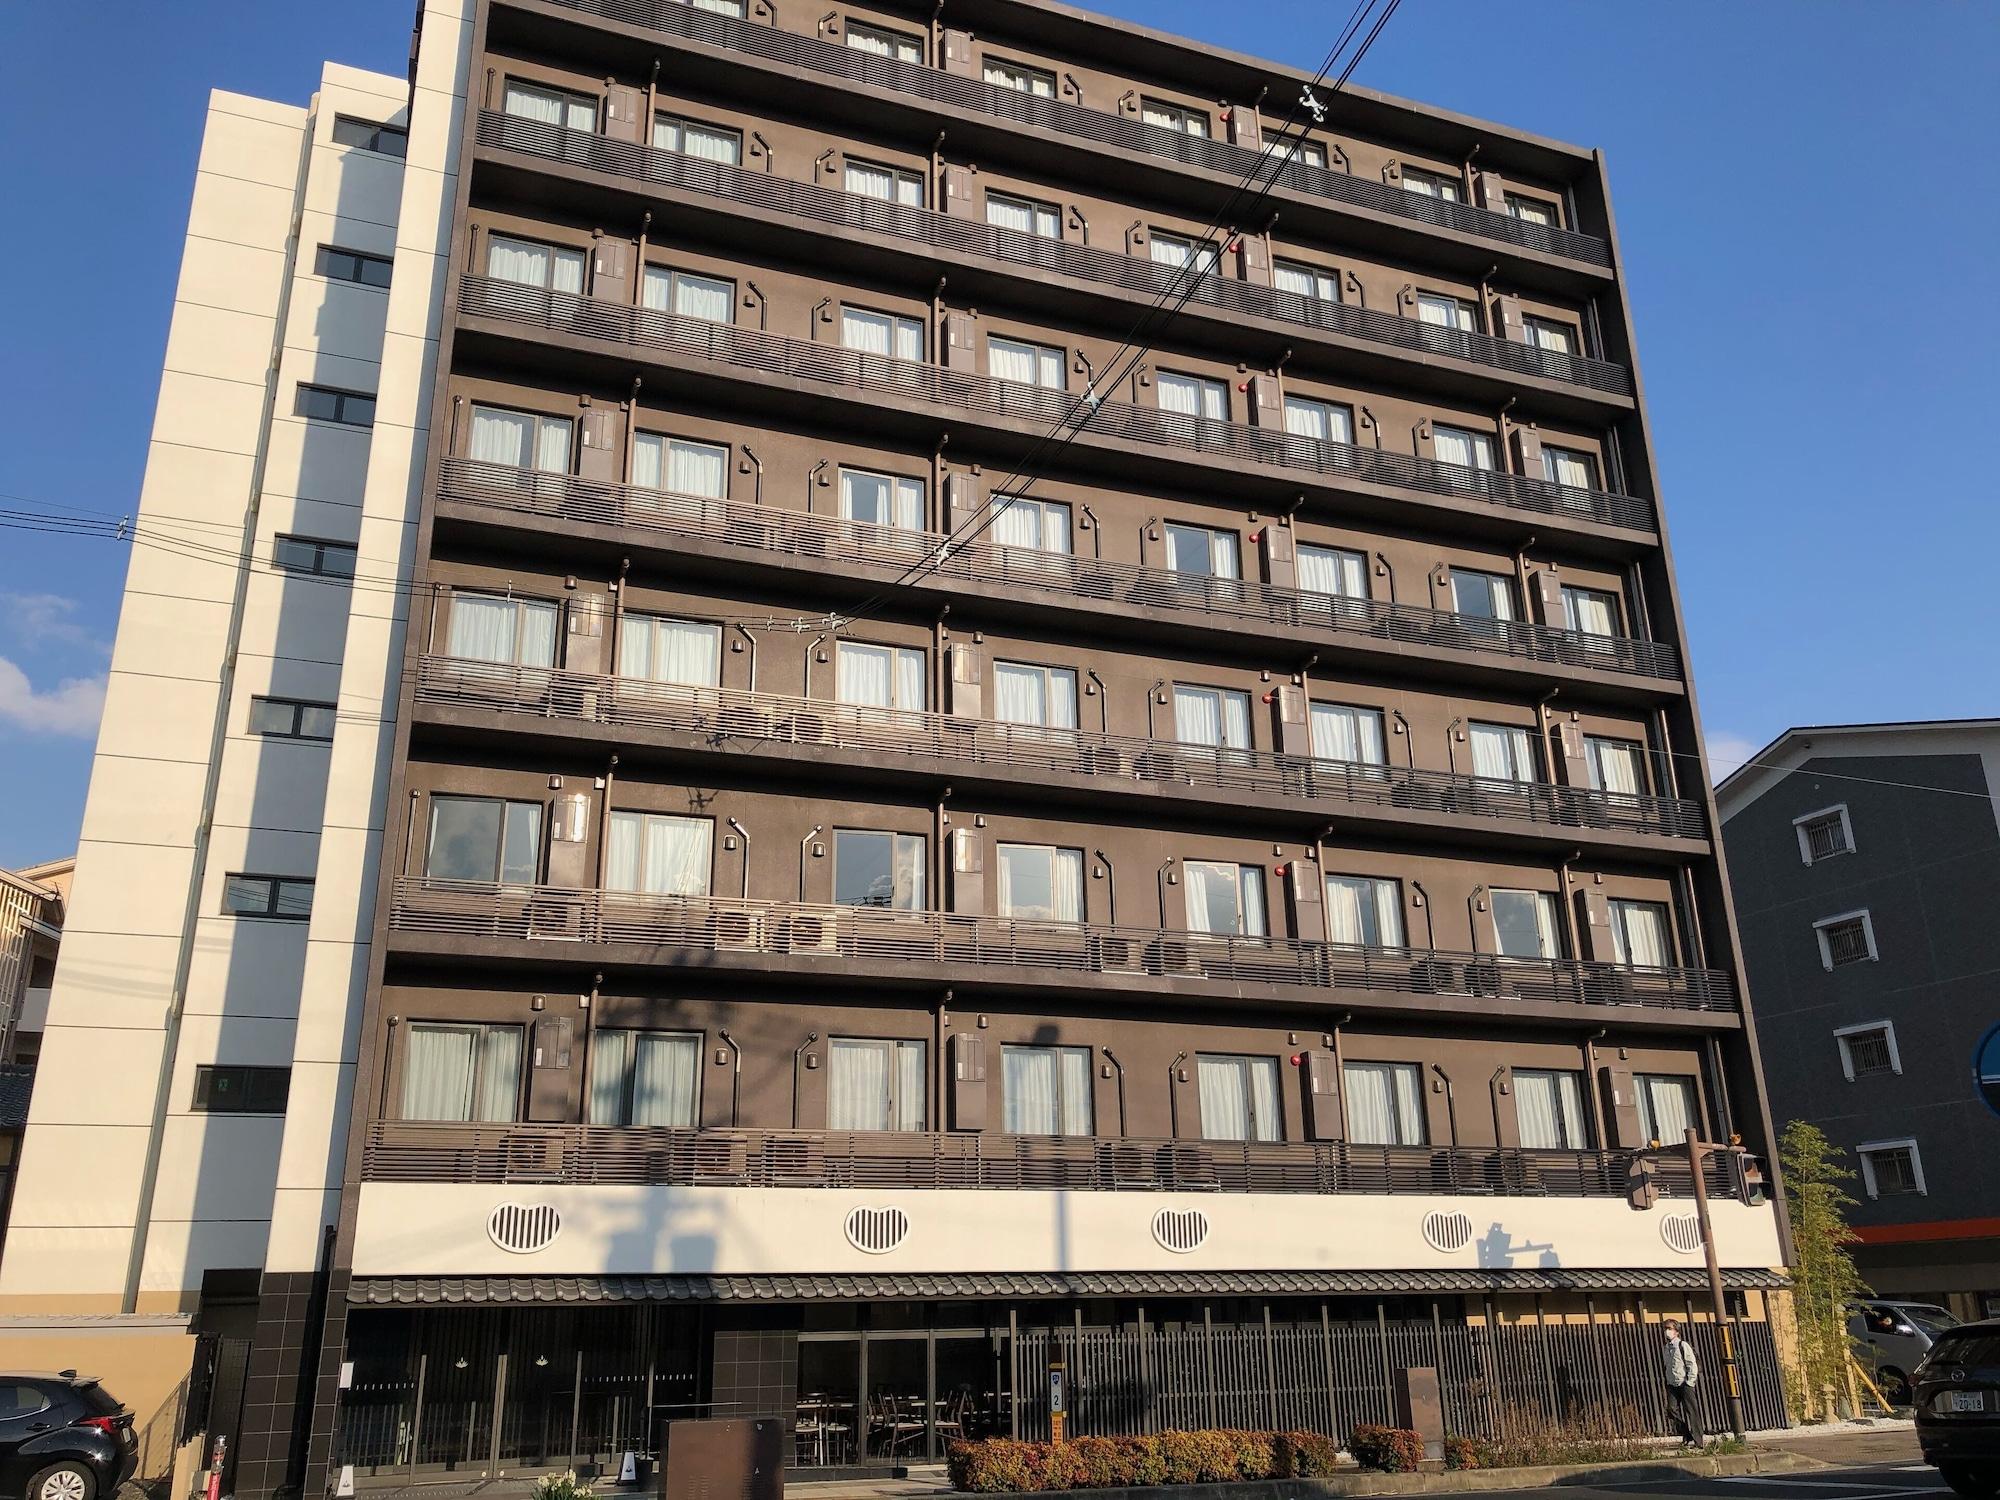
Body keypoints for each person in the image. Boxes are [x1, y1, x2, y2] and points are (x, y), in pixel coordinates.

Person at [1662, 1319, 1704, 1447]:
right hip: (1672, 1383)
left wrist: (1690, 1381)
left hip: (1685, 1383)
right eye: (1665, 1328)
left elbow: (1691, 1363)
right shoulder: (1666, 1348)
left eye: (1669, 1328)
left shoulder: (1682, 1345)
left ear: (1677, 1331)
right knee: (1671, 1410)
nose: (1667, 1331)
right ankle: (1686, 1433)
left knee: (1691, 1411)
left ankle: (1698, 1441)